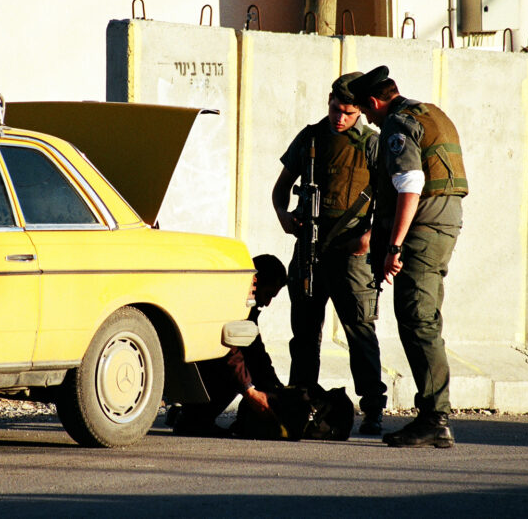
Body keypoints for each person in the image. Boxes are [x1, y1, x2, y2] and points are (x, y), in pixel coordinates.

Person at [346, 65, 468, 448]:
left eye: (367, 113)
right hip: (441, 225)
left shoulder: (398, 125)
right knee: (422, 317)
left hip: (422, 230)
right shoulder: (429, 112)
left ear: (373, 102)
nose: (370, 120)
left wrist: (395, 245)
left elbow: (410, 184)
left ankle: (435, 417)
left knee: (418, 320)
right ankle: (434, 415)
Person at [271, 72, 387, 435]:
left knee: (359, 332)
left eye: (349, 112)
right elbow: (280, 189)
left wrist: (369, 236)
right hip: (310, 247)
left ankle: (373, 409)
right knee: (304, 333)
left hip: (351, 252)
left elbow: (392, 199)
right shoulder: (310, 137)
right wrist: (284, 216)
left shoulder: (372, 144)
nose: (340, 117)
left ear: (361, 112)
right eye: (336, 109)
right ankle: (301, 403)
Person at [171, 254, 287, 437]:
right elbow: (229, 350)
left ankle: (193, 416)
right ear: (256, 281)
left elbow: (254, 349)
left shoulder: (248, 305)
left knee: (246, 370)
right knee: (237, 373)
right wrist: (250, 392)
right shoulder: (230, 301)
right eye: (267, 294)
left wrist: (275, 389)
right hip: (187, 362)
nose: (267, 303)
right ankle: (193, 420)